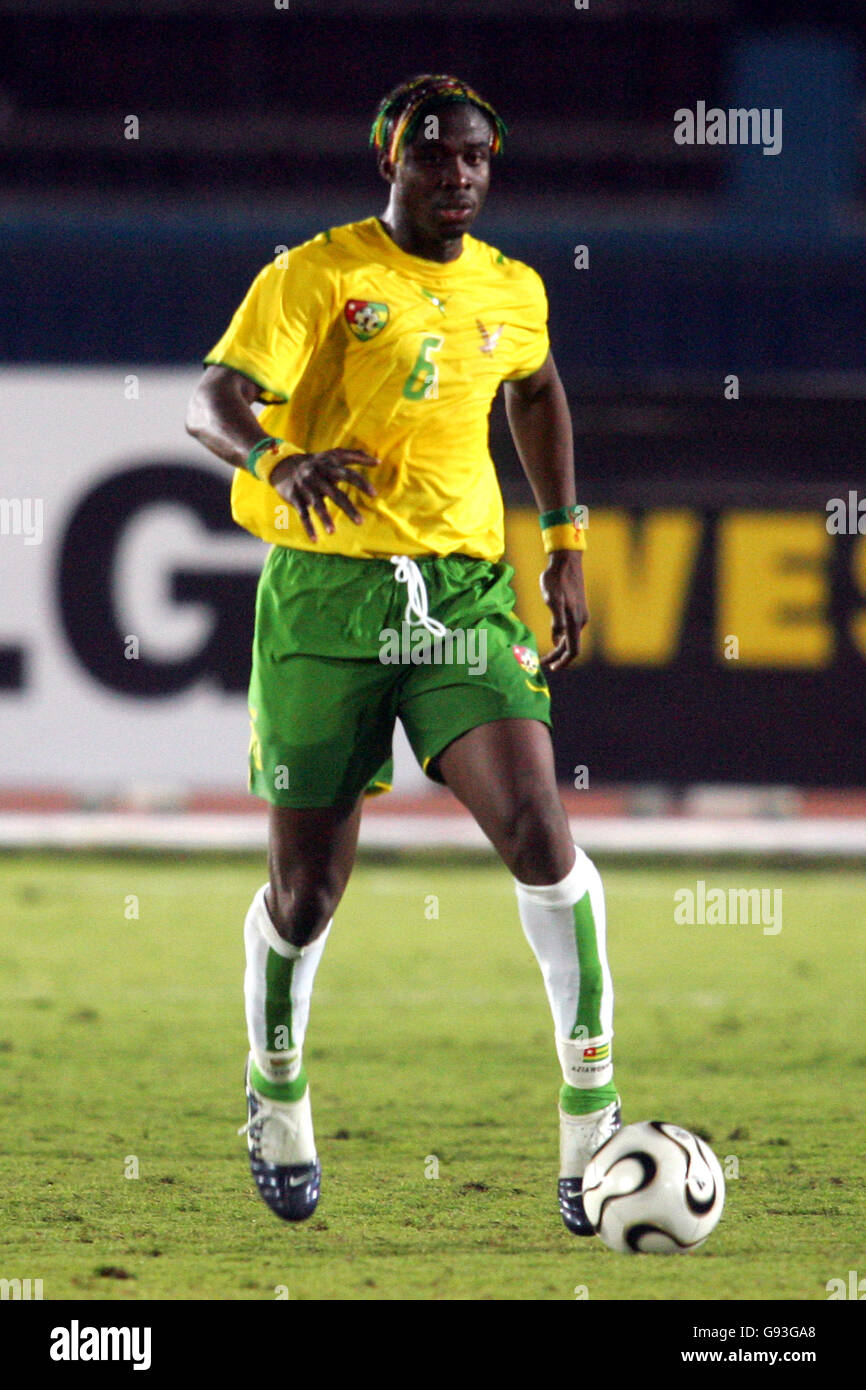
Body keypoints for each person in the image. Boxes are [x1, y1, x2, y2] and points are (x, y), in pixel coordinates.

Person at [186, 73, 621, 1235]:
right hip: (326, 603)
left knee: (540, 833)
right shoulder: (317, 274)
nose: (458, 176)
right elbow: (212, 396)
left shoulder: (511, 289)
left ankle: (592, 1124)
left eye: (476, 158)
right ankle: (275, 1091)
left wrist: (564, 543)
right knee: (306, 892)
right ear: (390, 161)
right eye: (434, 157)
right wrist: (278, 462)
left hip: (461, 599)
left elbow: (533, 386)